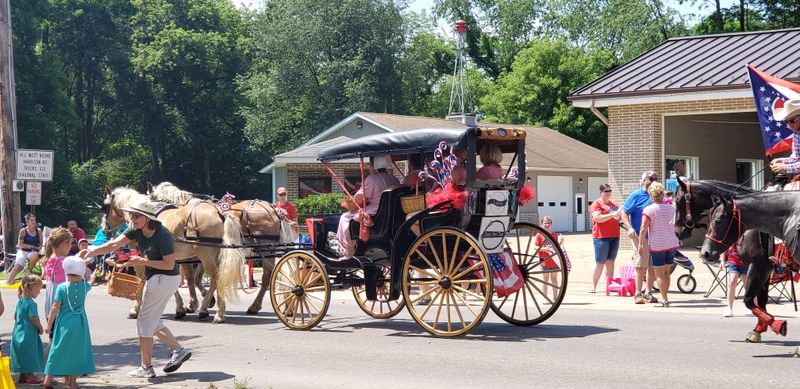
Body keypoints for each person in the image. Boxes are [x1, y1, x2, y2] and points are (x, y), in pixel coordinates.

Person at [80, 199, 191, 378]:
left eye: (136, 215)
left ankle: (146, 367)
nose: (133, 218)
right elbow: (113, 244)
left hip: (165, 278)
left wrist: (144, 261)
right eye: (132, 215)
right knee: (151, 321)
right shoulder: (135, 229)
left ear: (147, 217)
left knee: (144, 322)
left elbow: (169, 265)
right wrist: (91, 251)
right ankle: (178, 350)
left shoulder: (162, 235)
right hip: (157, 278)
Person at [43, 256, 95, 389]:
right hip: (79, 324)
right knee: (76, 351)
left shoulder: (61, 288)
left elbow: (55, 307)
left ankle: (47, 381)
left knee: (57, 349)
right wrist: (94, 274)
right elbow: (91, 281)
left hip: (63, 324)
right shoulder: (84, 286)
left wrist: (49, 325)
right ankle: (72, 382)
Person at [336, 155, 400, 258]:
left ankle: (349, 250)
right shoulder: (394, 179)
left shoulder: (372, 179)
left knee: (344, 217)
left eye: (369, 165)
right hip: (392, 214)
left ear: (373, 166)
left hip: (377, 213)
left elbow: (358, 199)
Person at [638, 182, 679, 307]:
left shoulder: (649, 210)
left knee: (659, 274)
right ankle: (665, 297)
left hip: (658, 244)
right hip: (671, 242)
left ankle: (664, 299)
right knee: (666, 272)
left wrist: (640, 244)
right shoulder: (672, 208)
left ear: (651, 195)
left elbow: (643, 228)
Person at [590, 184, 633, 293]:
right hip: (601, 237)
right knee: (600, 262)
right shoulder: (597, 203)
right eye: (605, 191)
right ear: (601, 192)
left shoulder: (614, 204)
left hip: (614, 236)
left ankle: (609, 286)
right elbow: (597, 218)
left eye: (609, 190)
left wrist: (620, 216)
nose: (608, 192)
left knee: (610, 262)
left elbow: (620, 216)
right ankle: (593, 286)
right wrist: (612, 215)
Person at [625, 171, 659, 304]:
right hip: (640, 236)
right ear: (644, 180)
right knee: (640, 265)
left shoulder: (657, 195)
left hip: (655, 236)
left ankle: (648, 292)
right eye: (651, 178)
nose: (653, 180)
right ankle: (637, 293)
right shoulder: (636, 195)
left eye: (656, 178)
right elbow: (624, 212)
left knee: (653, 266)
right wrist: (629, 227)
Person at [11, 274, 45, 385]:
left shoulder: (20, 301)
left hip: (18, 332)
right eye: (39, 290)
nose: (39, 292)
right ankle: (30, 375)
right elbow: (32, 318)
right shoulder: (31, 303)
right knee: (30, 353)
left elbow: (15, 316)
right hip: (28, 333)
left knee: (22, 353)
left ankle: (23, 376)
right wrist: (40, 327)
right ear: (34, 288)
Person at [42, 228, 72, 319]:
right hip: (60, 310)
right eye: (70, 243)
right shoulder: (63, 262)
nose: (71, 246)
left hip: (50, 309)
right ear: (64, 244)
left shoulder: (49, 259)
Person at [7, 213, 43, 284]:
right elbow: (20, 244)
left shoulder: (39, 230)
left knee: (35, 255)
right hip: (23, 251)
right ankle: (8, 282)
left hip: (34, 252)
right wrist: (31, 246)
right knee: (17, 267)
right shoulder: (23, 231)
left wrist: (39, 248)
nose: (33, 222)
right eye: (31, 220)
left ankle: (29, 271)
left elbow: (41, 243)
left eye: (34, 220)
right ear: (27, 221)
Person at [536, 216, 565, 301]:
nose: (547, 224)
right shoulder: (539, 235)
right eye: (545, 223)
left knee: (554, 279)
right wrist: (543, 249)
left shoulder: (554, 235)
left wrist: (561, 242)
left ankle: (555, 297)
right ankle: (545, 297)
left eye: (549, 223)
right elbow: (535, 247)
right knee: (545, 279)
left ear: (551, 224)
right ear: (541, 224)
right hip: (544, 260)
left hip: (554, 260)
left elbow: (556, 247)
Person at [769, 99, 800, 175]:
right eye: (786, 121)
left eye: (792, 120)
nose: (789, 124)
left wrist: (786, 168)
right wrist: (782, 161)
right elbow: (796, 158)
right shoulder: (797, 134)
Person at [722, 244, 748, 317]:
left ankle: (750, 307)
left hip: (745, 262)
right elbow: (724, 246)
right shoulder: (732, 234)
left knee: (747, 285)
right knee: (732, 281)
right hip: (733, 261)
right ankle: (729, 308)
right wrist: (722, 261)